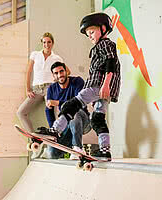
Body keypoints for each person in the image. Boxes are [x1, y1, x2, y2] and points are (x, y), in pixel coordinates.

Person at [37, 12, 121, 160]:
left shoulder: (106, 44)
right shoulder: (100, 46)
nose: (90, 36)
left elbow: (111, 63)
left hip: (99, 85)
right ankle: (105, 151)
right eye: (87, 34)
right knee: (98, 119)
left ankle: (55, 130)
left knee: (72, 104)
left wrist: (106, 85)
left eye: (92, 32)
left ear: (103, 28)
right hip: (102, 89)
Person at [17, 32, 66, 133]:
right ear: (42, 43)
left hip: (50, 88)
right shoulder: (35, 55)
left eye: (49, 42)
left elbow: (66, 72)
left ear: (52, 43)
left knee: (51, 114)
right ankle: (33, 137)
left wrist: (57, 83)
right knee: (21, 112)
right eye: (44, 42)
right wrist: (28, 89)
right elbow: (29, 72)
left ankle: (55, 135)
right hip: (36, 89)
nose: (46, 44)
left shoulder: (57, 58)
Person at [40, 61, 91, 159]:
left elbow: (79, 104)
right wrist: (53, 131)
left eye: (61, 71)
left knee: (74, 113)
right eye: (56, 73)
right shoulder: (52, 89)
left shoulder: (77, 82)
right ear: (53, 76)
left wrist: (58, 102)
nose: (60, 75)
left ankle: (77, 148)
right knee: (52, 154)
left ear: (66, 71)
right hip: (65, 124)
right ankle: (67, 147)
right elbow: (49, 110)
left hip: (83, 120)